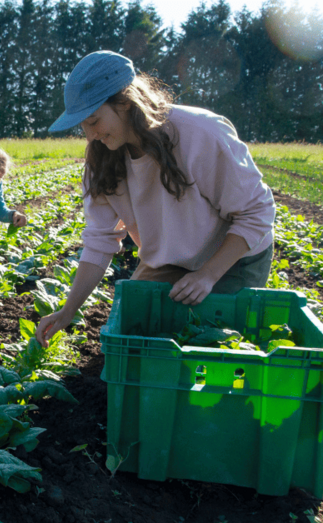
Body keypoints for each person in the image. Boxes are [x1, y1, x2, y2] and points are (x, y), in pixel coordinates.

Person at [36, 50, 275, 347]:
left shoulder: (199, 134)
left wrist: (207, 275)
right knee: (137, 336)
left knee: (212, 341)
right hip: (171, 257)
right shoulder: (101, 160)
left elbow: (257, 212)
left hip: (233, 256)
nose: (90, 135)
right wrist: (68, 310)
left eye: (94, 120)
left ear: (125, 102)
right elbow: (100, 240)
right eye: (82, 125)